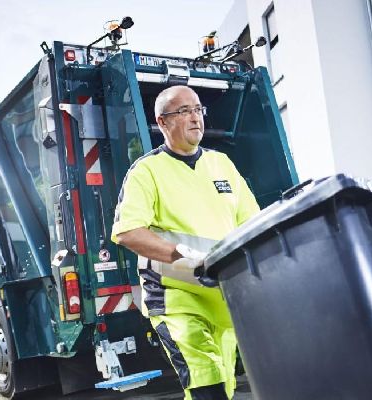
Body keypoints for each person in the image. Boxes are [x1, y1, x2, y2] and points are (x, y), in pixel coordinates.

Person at [111, 86, 259, 400]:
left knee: (225, 384)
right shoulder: (146, 171)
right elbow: (129, 231)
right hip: (175, 297)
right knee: (205, 378)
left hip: (222, 296)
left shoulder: (221, 164)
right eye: (184, 111)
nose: (195, 117)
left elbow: (252, 223)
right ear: (162, 122)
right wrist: (185, 257)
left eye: (197, 109)